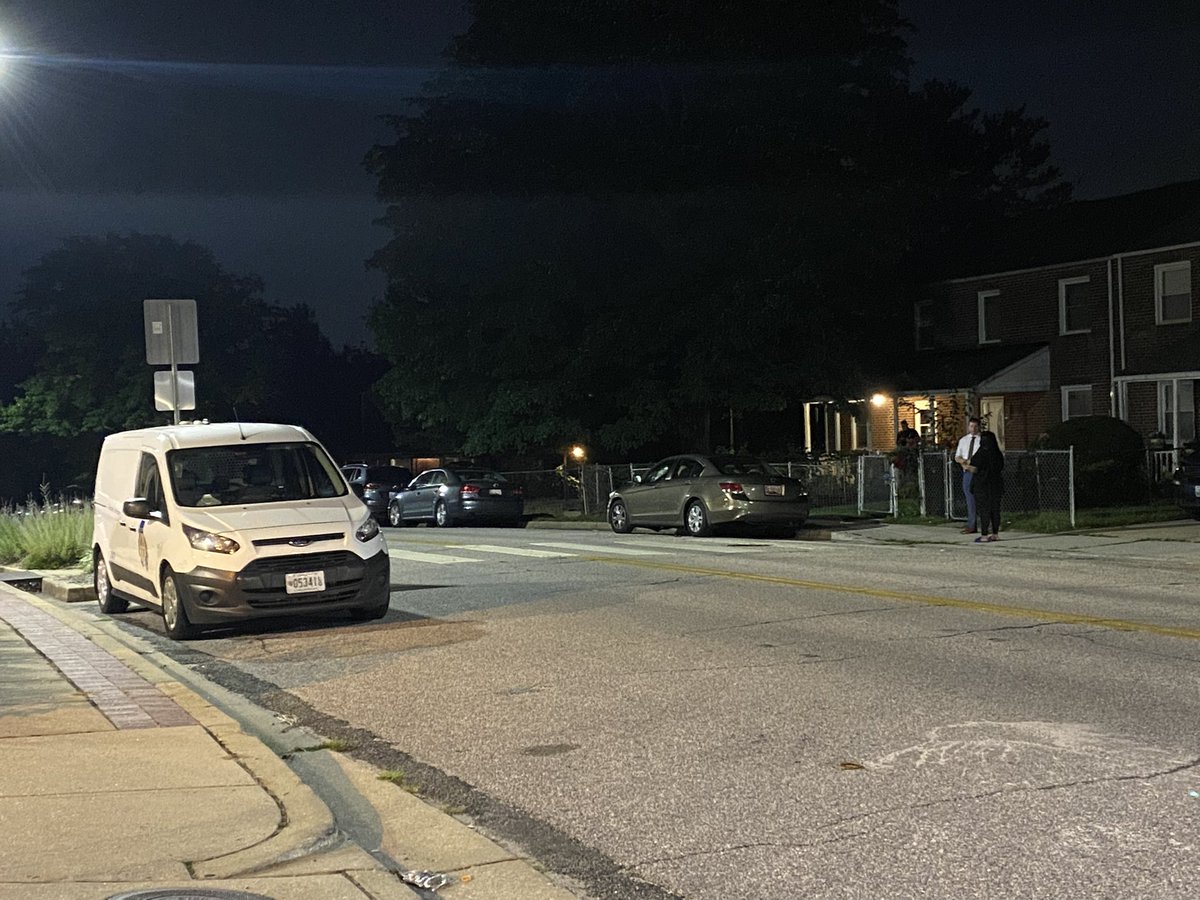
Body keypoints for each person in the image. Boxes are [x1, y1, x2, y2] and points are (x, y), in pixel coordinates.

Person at [966, 430, 1005, 542]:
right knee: (995, 510)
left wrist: (967, 466)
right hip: (996, 484)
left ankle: (984, 534)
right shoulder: (997, 454)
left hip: (982, 484)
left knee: (984, 510)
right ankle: (995, 533)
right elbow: (1001, 467)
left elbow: (974, 468)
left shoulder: (981, 453)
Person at [954, 416, 982, 533]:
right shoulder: (963, 440)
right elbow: (957, 456)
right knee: (969, 498)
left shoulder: (982, 440)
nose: (973, 428)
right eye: (971, 426)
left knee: (981, 498)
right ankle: (972, 524)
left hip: (978, 472)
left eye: (975, 426)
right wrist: (963, 462)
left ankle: (986, 522)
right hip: (967, 472)